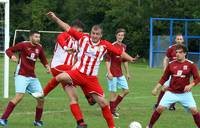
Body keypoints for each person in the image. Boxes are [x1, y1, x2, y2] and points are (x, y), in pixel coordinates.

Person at [46, 11, 137, 128]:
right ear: (90, 33)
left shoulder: (105, 45)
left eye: (97, 34)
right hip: (76, 72)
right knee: (64, 82)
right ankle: (45, 95)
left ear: (101, 35)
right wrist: (55, 18)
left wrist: (131, 59)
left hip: (91, 79)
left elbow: (120, 52)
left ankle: (111, 126)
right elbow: (67, 28)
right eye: (93, 33)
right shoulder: (82, 39)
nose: (94, 35)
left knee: (103, 103)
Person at [43, 20, 94, 128]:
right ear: (72, 28)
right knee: (81, 73)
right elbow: (60, 39)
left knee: (74, 97)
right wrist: (66, 48)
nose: (79, 33)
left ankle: (80, 123)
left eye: (81, 32)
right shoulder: (65, 35)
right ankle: (89, 97)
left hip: (68, 71)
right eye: (78, 31)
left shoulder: (78, 41)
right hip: (58, 67)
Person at [0, 31, 50, 126]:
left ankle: (37, 121)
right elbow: (8, 50)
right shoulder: (23, 45)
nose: (38, 39)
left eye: (39, 37)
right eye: (36, 37)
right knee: (19, 96)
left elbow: (43, 58)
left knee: (41, 98)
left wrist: (47, 66)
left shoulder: (39, 47)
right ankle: (3, 119)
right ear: (31, 37)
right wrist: (12, 56)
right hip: (21, 74)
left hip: (32, 76)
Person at [147, 44, 200, 128]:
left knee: (194, 110)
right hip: (171, 92)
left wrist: (191, 85)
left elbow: (197, 78)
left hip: (185, 94)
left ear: (185, 53)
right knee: (159, 108)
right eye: (176, 52)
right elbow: (164, 78)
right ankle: (149, 126)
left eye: (180, 52)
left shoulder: (191, 64)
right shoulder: (171, 64)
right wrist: (156, 88)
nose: (177, 54)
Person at [105, 28, 135, 118]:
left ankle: (112, 107)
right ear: (116, 35)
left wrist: (128, 73)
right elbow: (107, 60)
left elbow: (125, 60)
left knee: (126, 90)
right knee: (113, 93)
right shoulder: (112, 46)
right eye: (119, 35)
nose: (121, 37)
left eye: (122, 35)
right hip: (112, 73)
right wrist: (108, 72)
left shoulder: (124, 46)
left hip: (120, 73)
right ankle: (111, 111)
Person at [154, 34, 184, 110]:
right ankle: (158, 104)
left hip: (179, 72)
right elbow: (166, 59)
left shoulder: (184, 49)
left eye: (181, 39)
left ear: (183, 40)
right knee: (164, 87)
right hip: (171, 71)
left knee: (176, 88)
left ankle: (172, 106)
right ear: (175, 40)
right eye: (178, 39)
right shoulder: (171, 48)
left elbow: (185, 61)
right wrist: (165, 69)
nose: (179, 40)